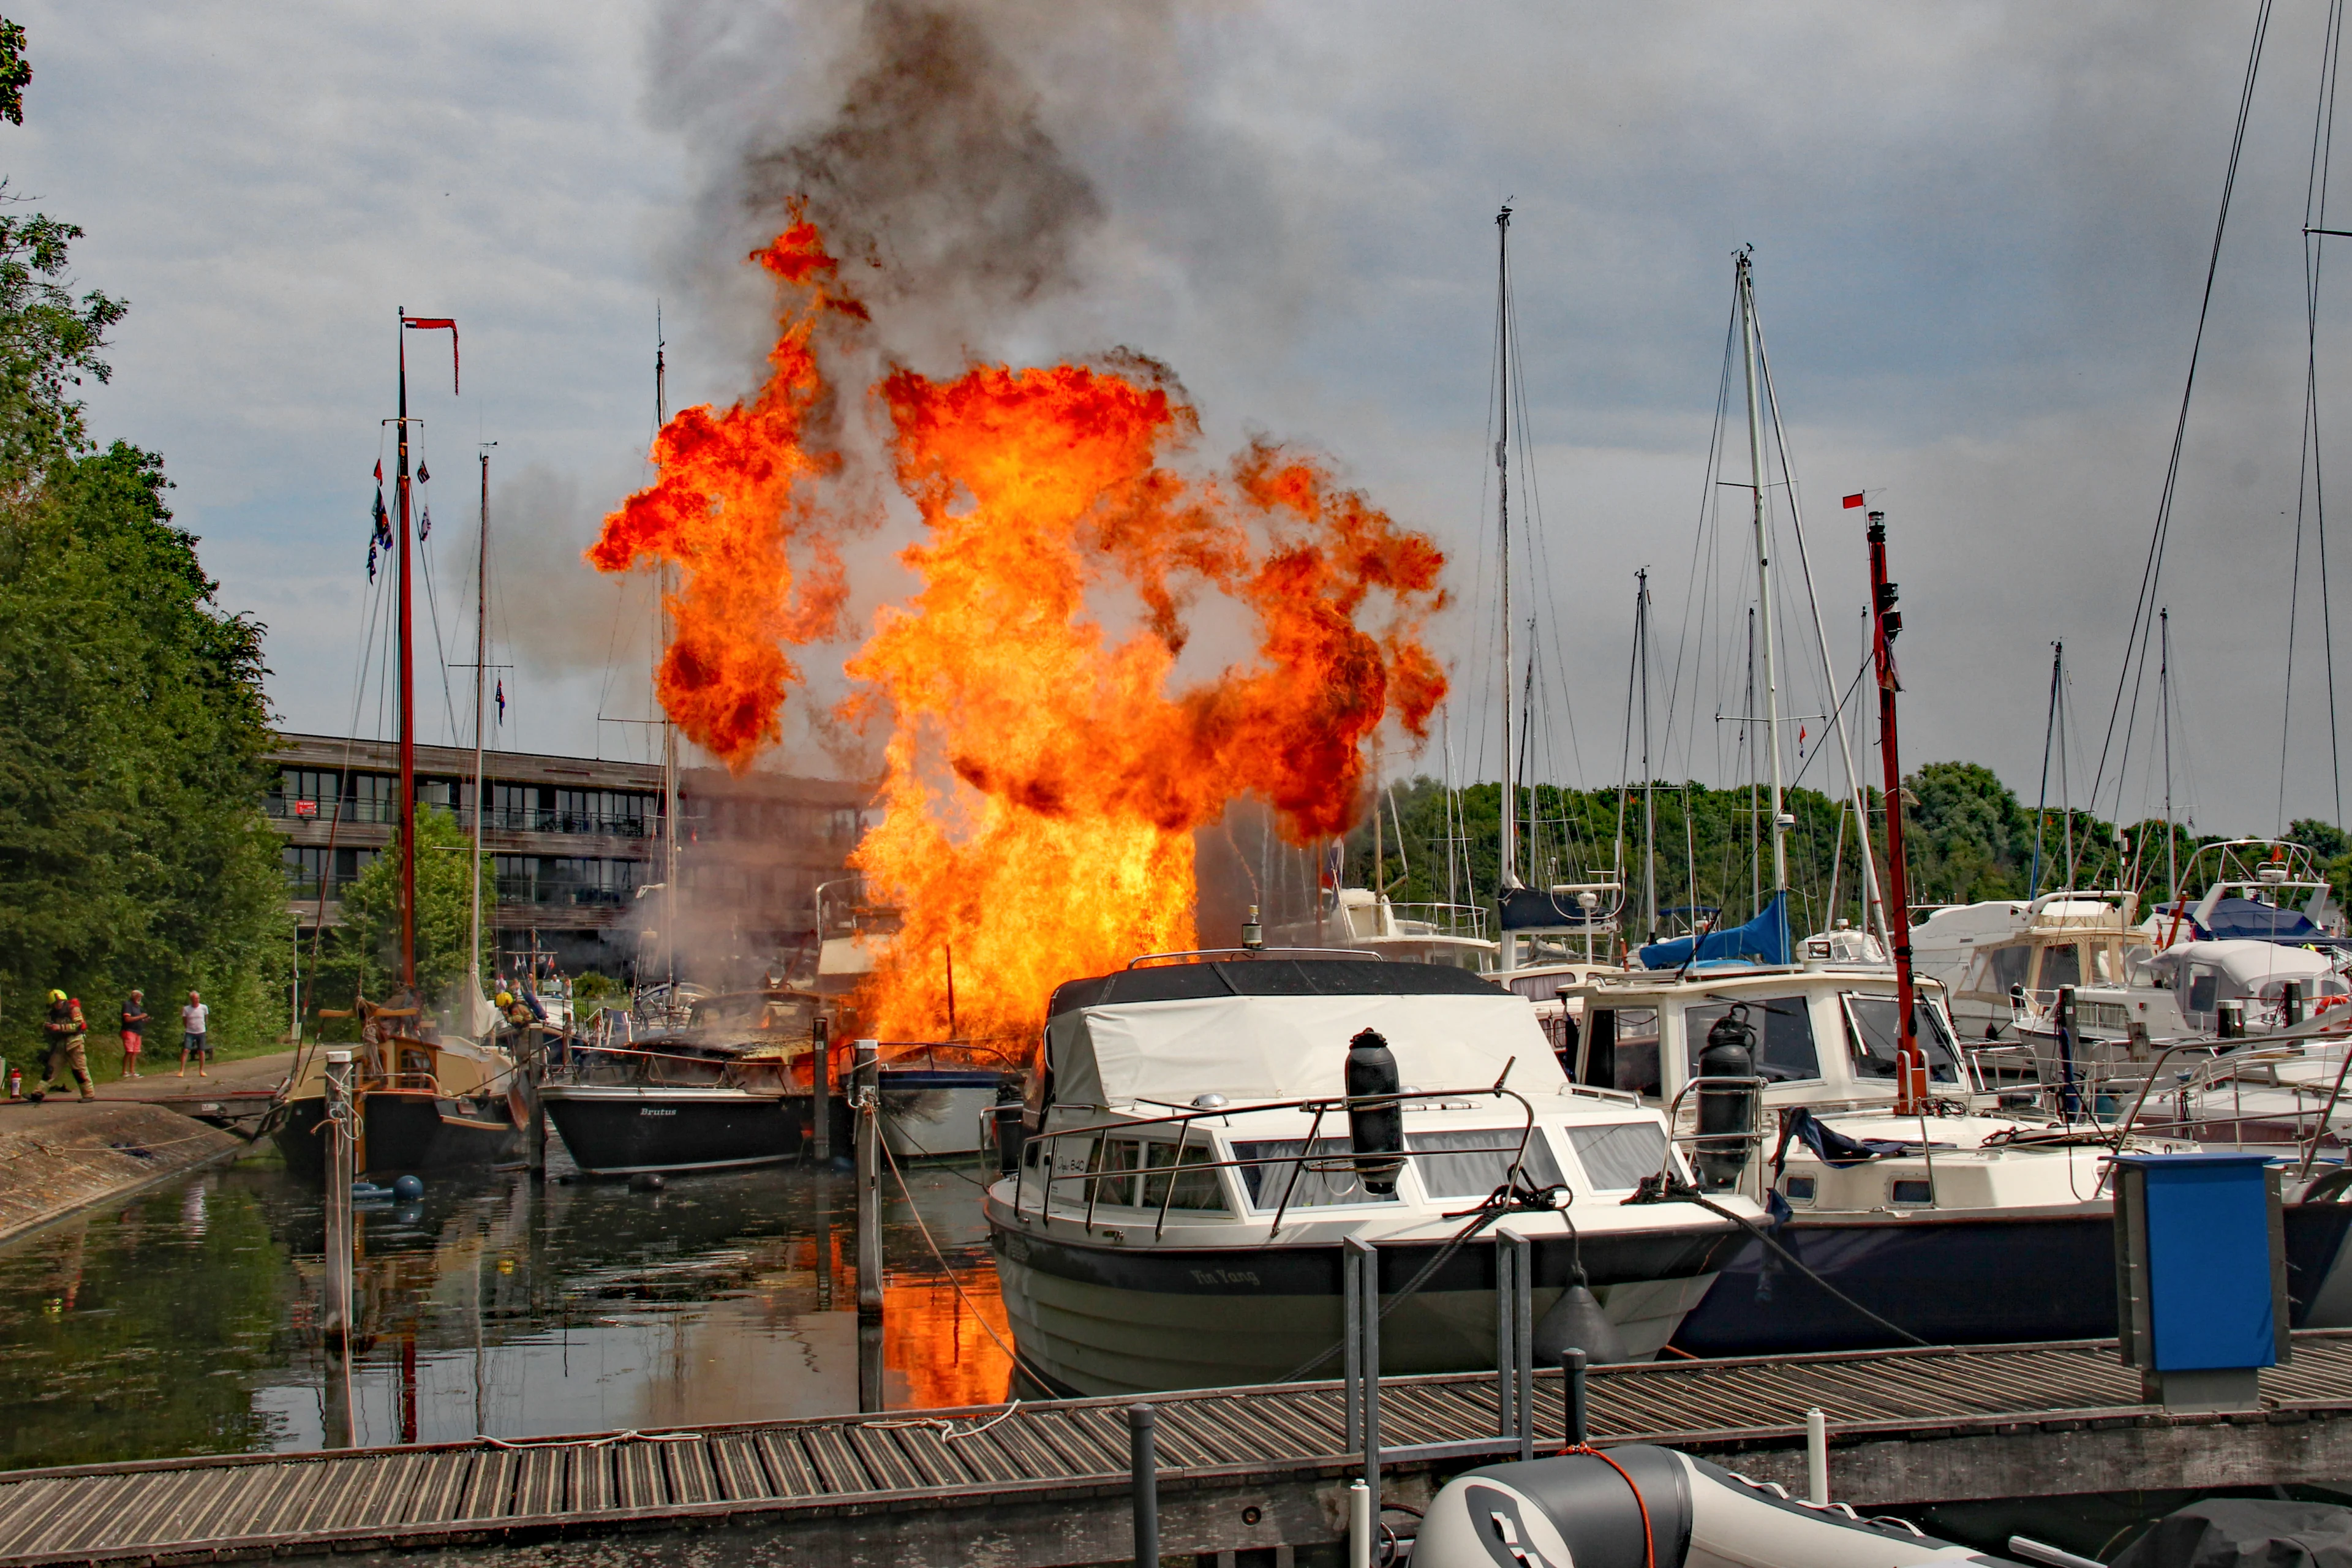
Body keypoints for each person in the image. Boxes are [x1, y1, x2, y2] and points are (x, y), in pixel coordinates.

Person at [38, 990, 96, 1102]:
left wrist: (60, 1028)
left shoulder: (73, 1009)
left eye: (59, 1002)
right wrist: (48, 1027)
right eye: (55, 1003)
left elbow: (79, 1026)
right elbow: (50, 1026)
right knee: (50, 1070)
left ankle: (89, 1095)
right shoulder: (53, 1013)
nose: (57, 1005)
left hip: (75, 1044)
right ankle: (38, 1093)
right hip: (61, 1045)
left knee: (80, 1071)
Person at [178, 990, 209, 1078]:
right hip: (190, 1032)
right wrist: (188, 1027)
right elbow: (184, 1020)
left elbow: (206, 1018)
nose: (197, 1000)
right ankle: (182, 1070)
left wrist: (203, 1027)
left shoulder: (204, 1008)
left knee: (201, 1051)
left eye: (198, 998)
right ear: (191, 999)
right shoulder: (187, 1009)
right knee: (186, 1050)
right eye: (195, 999)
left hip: (201, 1031)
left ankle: (201, 1070)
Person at [119, 990, 149, 1079]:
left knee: (135, 1052)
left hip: (138, 1031)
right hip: (129, 1030)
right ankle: (124, 1071)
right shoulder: (128, 1005)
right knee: (129, 1051)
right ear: (134, 997)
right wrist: (141, 1017)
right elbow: (127, 1019)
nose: (140, 999)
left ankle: (132, 1071)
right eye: (138, 997)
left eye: (141, 997)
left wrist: (144, 1020)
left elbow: (139, 1019)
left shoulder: (138, 1007)